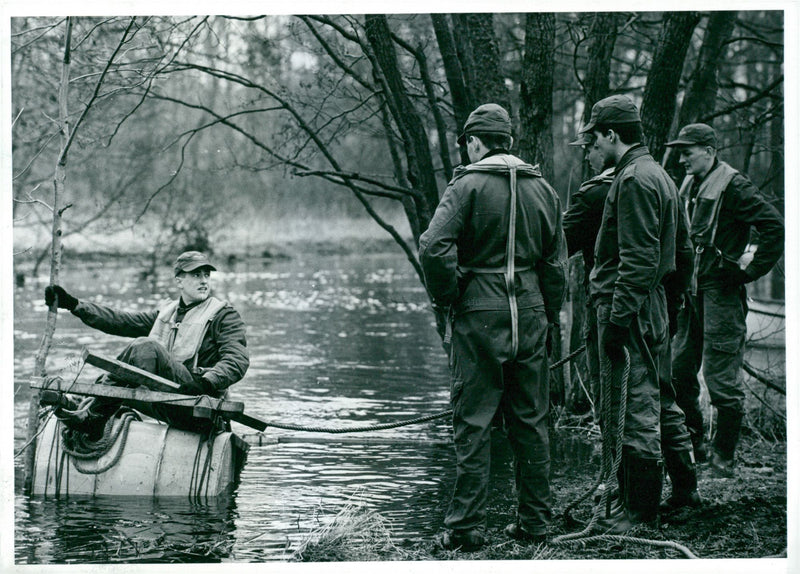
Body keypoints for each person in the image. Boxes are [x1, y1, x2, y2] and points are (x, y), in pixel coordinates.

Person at [419, 103, 567, 550]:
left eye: (467, 141)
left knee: (473, 421)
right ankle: (535, 524)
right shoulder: (545, 189)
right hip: (532, 311)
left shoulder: (466, 186)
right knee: (531, 421)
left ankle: (465, 529)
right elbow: (556, 266)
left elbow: (432, 248)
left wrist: (449, 297)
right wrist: (547, 312)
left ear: (476, 142)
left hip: (479, 315)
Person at [567, 128, 701, 518]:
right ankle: (684, 490)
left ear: (610, 136)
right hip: (652, 304)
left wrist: (619, 321)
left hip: (629, 306)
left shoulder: (630, 180)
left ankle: (637, 510)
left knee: (631, 406)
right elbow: (684, 251)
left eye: (594, 144)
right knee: (661, 398)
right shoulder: (660, 175)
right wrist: (670, 309)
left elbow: (638, 259)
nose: (590, 153)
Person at [665, 123, 784, 477]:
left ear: (709, 151)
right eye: (681, 151)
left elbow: (775, 226)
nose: (682, 157)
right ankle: (696, 446)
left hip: (722, 294)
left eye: (688, 151)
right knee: (678, 371)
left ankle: (723, 461)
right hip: (692, 292)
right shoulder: (691, 184)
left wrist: (748, 272)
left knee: (721, 381)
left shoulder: (735, 186)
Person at [44, 250, 249, 434]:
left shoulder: (224, 316)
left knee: (146, 346)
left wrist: (206, 381)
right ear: (179, 281)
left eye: (206, 275)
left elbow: (237, 360)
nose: (204, 281)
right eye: (196, 275)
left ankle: (93, 418)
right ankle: (84, 410)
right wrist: (73, 305)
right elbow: (120, 321)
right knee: (110, 377)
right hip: (166, 399)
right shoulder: (166, 313)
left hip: (199, 404)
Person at [563, 132, 615, 414]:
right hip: (650, 305)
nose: (586, 157)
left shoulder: (595, 193)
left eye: (589, 150)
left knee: (607, 389)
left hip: (604, 301)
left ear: (602, 147)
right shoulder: (656, 181)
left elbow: (560, 242)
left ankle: (613, 456)